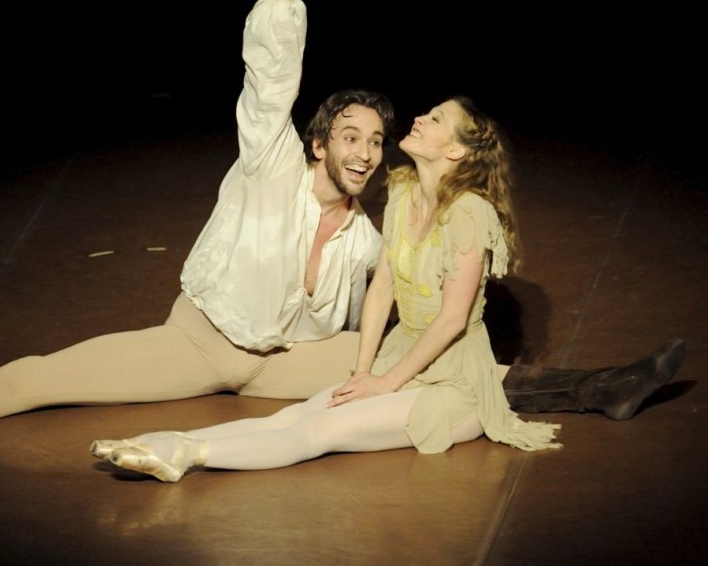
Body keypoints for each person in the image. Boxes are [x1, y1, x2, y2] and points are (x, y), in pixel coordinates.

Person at [0, 0, 685, 438]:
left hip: (281, 363)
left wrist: (385, 359)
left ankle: (603, 388)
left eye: (377, 138)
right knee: (38, 376)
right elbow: (270, 79)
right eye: (352, 133)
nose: (367, 148)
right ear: (318, 140)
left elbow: (405, 314)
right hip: (198, 341)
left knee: (440, 366)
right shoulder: (266, 162)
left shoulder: (371, 232)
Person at [90, 95, 564, 482]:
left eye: (437, 117)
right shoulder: (401, 192)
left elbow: (453, 318)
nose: (420, 117)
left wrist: (385, 383)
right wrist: (363, 372)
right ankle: (161, 441)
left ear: (456, 151)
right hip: (401, 357)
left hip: (454, 384)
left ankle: (189, 454)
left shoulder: (469, 212)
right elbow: (381, 291)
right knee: (294, 415)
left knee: (320, 430)